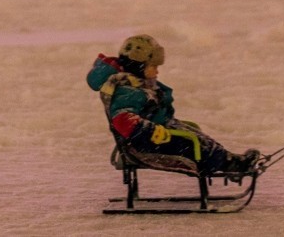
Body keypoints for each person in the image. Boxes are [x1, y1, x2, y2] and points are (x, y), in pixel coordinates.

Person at [87, 34, 260, 177]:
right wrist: (152, 131)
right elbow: (124, 120)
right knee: (193, 143)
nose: (157, 70)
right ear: (139, 66)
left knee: (197, 136)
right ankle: (231, 164)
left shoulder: (138, 86)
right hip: (146, 143)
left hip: (159, 133)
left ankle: (229, 160)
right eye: (153, 66)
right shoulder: (128, 92)